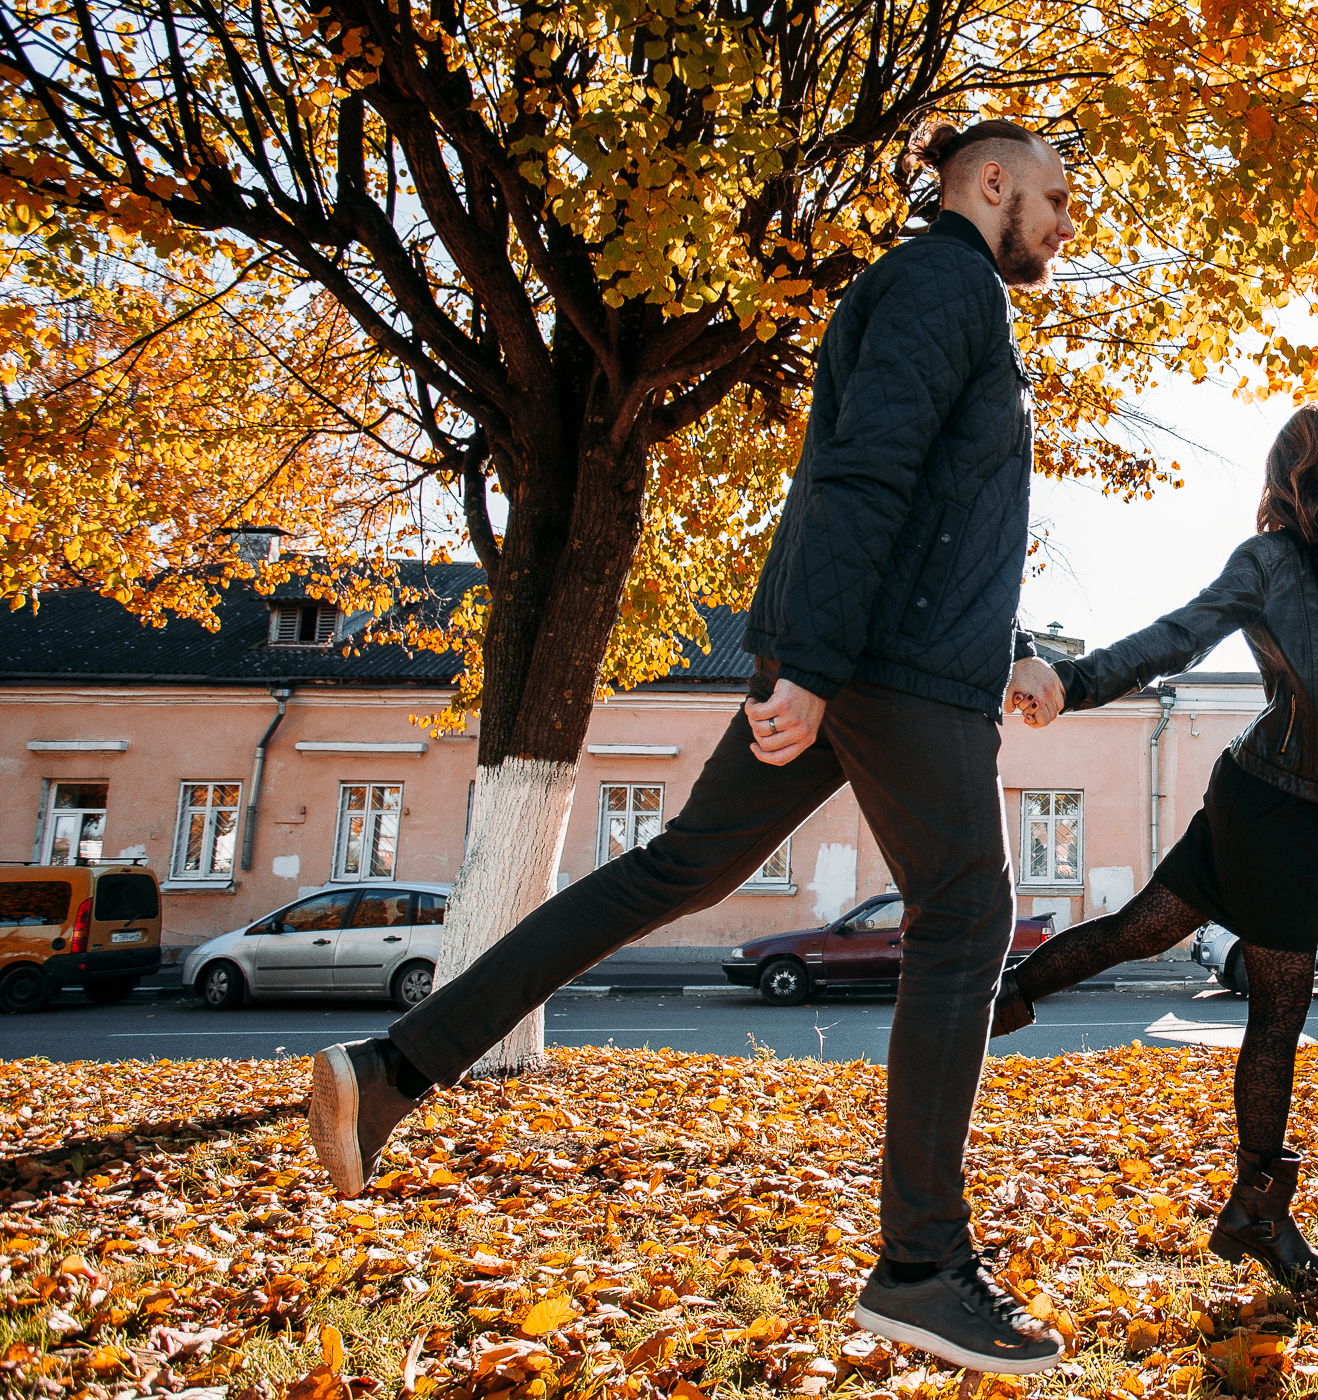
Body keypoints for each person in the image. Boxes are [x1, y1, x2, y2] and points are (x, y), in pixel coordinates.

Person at [306, 118, 1077, 1374]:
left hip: (871, 653)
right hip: (886, 670)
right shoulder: (949, 283)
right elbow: (867, 481)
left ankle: (392, 1067)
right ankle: (924, 1266)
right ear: (989, 183)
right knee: (967, 920)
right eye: (1050, 195)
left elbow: (932, 504)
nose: (1060, 221)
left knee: (676, 869)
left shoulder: (921, 289)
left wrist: (1007, 644)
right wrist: (817, 670)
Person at [999, 406, 1318, 1290]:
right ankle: (1258, 1212)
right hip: (1273, 808)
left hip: (1283, 797)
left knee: (1142, 930)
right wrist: (1073, 679)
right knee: (1279, 1011)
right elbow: (1177, 634)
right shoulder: (1273, 563)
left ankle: (1003, 996)